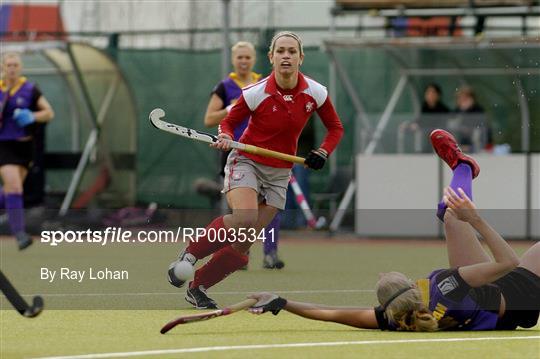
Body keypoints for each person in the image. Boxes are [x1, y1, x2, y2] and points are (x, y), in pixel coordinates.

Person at [247, 129, 539, 331]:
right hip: (519, 296)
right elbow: (509, 263)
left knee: (451, 217)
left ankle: (462, 167)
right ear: (411, 286)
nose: (381, 273)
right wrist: (476, 220)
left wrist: (282, 302)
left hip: (490, 302)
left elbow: (331, 314)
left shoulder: (396, 318)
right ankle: (463, 171)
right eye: (387, 277)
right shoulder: (443, 285)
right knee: (460, 218)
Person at [167, 31, 344, 309]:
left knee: (244, 243)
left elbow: (335, 128)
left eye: (292, 51)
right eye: (281, 51)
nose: (286, 56)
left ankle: (198, 286)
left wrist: (323, 151)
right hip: (247, 160)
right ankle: (189, 255)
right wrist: (225, 135)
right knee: (245, 218)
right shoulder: (255, 92)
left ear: (301, 57)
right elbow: (228, 123)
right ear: (271, 57)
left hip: (280, 171)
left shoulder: (316, 92)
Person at [202, 41, 284, 269]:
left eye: (247, 57)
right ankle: (240, 253)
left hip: (264, 152)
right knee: (242, 210)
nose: (244, 61)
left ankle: (270, 253)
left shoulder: (265, 84)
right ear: (233, 60)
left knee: (270, 206)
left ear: (254, 59)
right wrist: (230, 109)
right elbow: (209, 119)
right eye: (240, 58)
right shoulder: (224, 87)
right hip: (234, 155)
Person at [0, 52, 54, 250]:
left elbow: (49, 113)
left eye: (15, 65)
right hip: (3, 145)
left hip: (24, 147)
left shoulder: (30, 89)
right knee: (14, 188)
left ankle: (16, 225)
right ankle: (20, 234)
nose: (12, 68)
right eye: (8, 65)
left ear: (20, 68)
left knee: (10, 191)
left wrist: (32, 115)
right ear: (3, 68)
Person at [454, 85, 492, 152]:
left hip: (475, 141)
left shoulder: (479, 110)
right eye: (460, 98)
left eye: (465, 98)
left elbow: (483, 126)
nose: (462, 101)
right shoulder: (457, 111)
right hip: (461, 140)